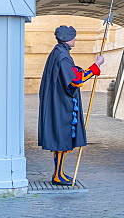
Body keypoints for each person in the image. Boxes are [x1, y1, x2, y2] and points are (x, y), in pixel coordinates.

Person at [38, 24, 105, 185]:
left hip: (57, 102)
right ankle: (57, 176)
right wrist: (96, 66)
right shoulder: (62, 56)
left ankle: (59, 172)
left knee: (61, 139)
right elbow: (76, 81)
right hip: (61, 104)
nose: (76, 39)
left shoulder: (59, 53)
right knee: (61, 138)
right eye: (73, 36)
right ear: (67, 38)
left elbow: (71, 73)